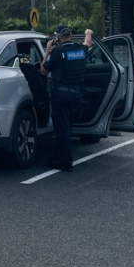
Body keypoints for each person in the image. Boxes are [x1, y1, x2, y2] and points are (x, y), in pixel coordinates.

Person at [40, 26, 94, 171]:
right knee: (66, 127)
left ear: (58, 37)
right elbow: (88, 42)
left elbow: (44, 71)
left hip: (61, 96)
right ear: (70, 35)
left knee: (61, 129)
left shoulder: (57, 52)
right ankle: (55, 158)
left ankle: (65, 162)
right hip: (76, 95)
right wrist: (88, 32)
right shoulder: (80, 49)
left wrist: (47, 51)